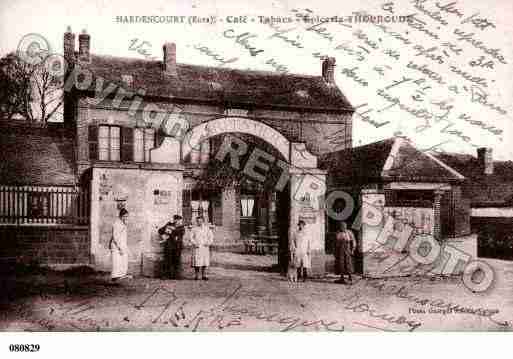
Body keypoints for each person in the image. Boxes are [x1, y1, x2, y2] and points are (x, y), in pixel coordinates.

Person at [158, 215, 186, 280]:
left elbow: (181, 232)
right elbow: (160, 231)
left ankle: (176, 275)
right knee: (167, 260)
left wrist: (173, 230)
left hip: (177, 246)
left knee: (177, 261)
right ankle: (165, 275)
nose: (177, 221)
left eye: (179, 220)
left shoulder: (181, 227)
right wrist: (167, 227)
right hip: (169, 245)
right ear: (174, 220)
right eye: (176, 219)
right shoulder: (169, 224)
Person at [189, 216, 214, 280]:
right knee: (197, 262)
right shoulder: (194, 229)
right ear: (196, 222)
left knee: (204, 261)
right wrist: (195, 243)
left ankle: (204, 275)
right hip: (197, 247)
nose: (199, 222)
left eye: (200, 221)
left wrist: (208, 243)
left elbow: (211, 237)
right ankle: (196, 275)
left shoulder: (207, 228)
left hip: (204, 247)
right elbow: (191, 238)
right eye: (198, 221)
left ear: (203, 221)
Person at [110, 208, 130, 282]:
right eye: (124, 216)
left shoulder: (122, 223)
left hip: (122, 244)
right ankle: (115, 277)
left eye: (127, 216)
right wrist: (120, 247)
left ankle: (120, 276)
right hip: (116, 245)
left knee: (123, 260)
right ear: (121, 216)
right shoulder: (116, 224)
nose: (126, 218)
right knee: (116, 261)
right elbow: (115, 237)